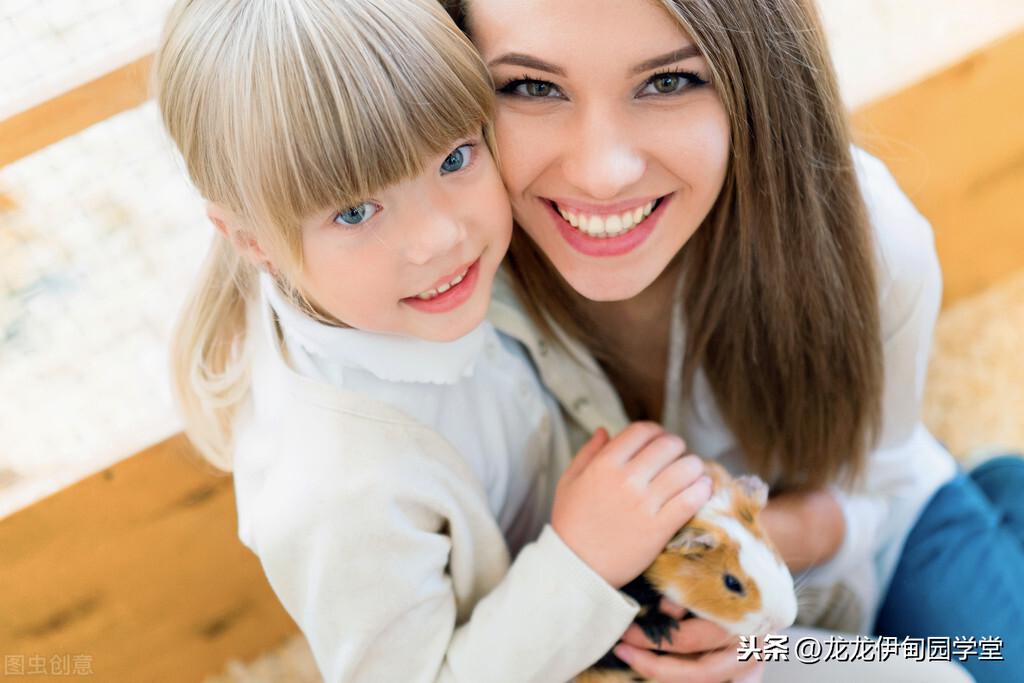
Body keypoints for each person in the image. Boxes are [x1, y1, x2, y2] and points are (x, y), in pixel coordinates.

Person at [443, 0, 1020, 680]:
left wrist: (729, 560)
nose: (602, 173)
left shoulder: (872, 240)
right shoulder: (427, 303)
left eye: (667, 81)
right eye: (532, 86)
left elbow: (881, 483)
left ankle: (991, 494)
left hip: (871, 531)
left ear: (758, 75)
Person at [154, 0, 724, 681]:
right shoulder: (332, 492)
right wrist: (580, 560)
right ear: (251, 240)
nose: (439, 237)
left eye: (455, 157)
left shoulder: (444, 270)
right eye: (356, 211)